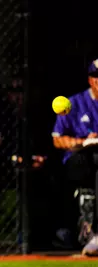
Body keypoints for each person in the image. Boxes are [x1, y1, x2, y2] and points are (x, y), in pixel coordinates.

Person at [52, 58, 98, 256]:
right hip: (78, 159)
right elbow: (57, 140)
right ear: (90, 80)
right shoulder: (75, 103)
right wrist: (80, 142)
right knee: (83, 162)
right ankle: (87, 228)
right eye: (97, 77)